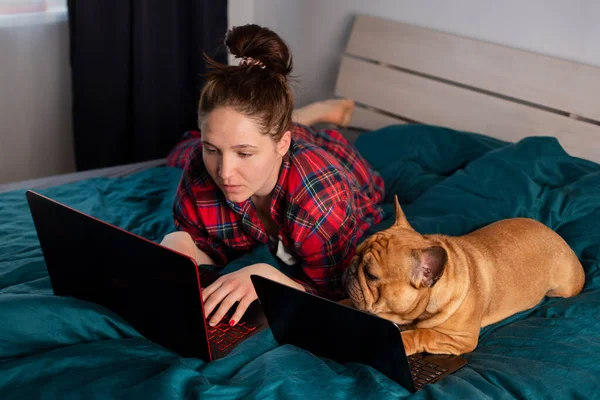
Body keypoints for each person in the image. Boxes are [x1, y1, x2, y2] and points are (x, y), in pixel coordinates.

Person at [161, 24, 385, 328]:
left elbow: (334, 294)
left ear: (282, 144)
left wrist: (268, 279)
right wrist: (182, 242)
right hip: (278, 141)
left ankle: (311, 115)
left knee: (301, 140)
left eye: (244, 153)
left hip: (336, 164)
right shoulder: (201, 164)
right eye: (212, 148)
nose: (224, 173)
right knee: (178, 151)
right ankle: (278, 128)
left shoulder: (323, 200)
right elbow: (205, 244)